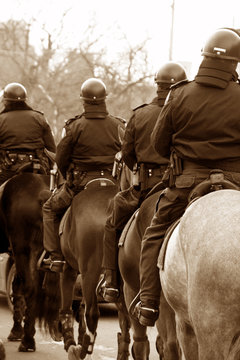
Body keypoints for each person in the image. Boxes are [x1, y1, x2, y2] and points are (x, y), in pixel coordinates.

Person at [134, 28, 240, 327]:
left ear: (204, 56)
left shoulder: (179, 94)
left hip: (187, 183)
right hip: (237, 180)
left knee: (155, 232)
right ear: (235, 62)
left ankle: (149, 303)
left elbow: (158, 144)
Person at [98, 62, 188, 302]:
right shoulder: (188, 111)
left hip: (148, 186)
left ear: (157, 85)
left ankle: (110, 281)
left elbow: (127, 154)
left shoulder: (139, 114)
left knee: (112, 221)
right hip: (183, 183)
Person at [41, 78, 125, 272]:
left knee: (49, 208)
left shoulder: (74, 127)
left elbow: (61, 159)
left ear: (83, 99)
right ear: (105, 99)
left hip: (81, 183)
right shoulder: (118, 125)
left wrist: (68, 178)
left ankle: (56, 256)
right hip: (113, 183)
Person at [0, 82, 56, 184]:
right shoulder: (39, 118)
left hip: (8, 171)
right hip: (37, 167)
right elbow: (51, 149)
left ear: (5, 101)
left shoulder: (1, 119)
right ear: (25, 100)